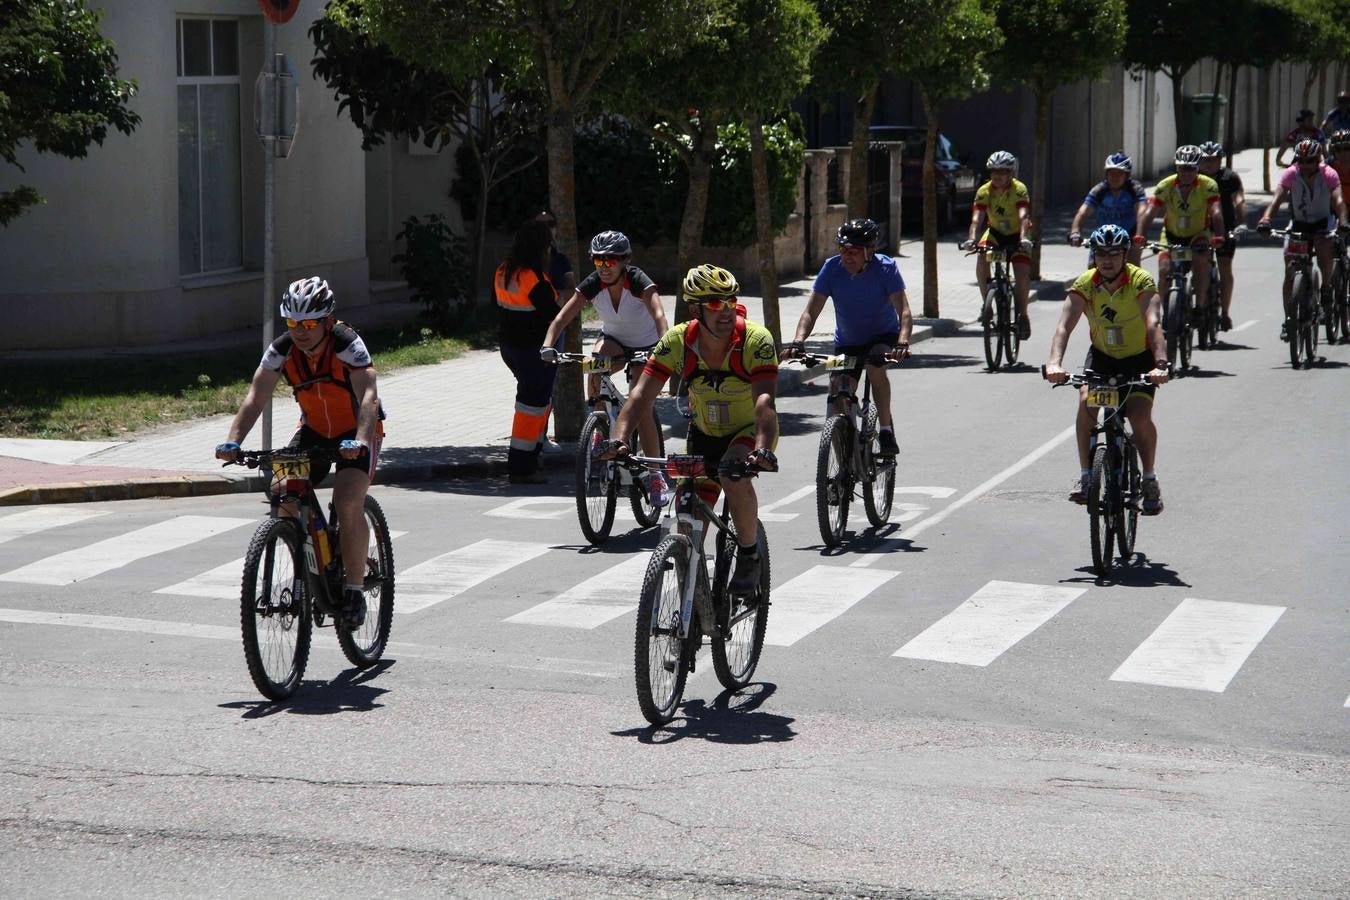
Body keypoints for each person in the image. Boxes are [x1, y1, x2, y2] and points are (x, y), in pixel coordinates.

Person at [599, 264, 778, 595]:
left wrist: (762, 450)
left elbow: (765, 401)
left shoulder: (755, 340)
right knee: (685, 521)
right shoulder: (678, 340)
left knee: (732, 476)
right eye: (713, 304)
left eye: (729, 302)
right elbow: (640, 396)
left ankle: (750, 555)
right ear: (695, 309)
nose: (724, 311)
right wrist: (618, 439)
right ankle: (691, 605)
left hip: (747, 430)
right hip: (703, 432)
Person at [215, 276, 383, 628]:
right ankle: (306, 557)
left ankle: (353, 588)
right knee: (283, 495)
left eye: (308, 324)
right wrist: (233, 441)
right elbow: (256, 396)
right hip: (314, 432)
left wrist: (362, 441)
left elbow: (368, 396)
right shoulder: (281, 349)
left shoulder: (347, 343)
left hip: (357, 432)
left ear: (326, 321)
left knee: (348, 499)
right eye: (292, 323)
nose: (300, 331)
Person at [1044, 225, 1171, 515]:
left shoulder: (1141, 280)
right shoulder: (1086, 283)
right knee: (1085, 404)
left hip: (1140, 359)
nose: (1107, 260)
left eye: (1114, 253)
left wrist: (1160, 364)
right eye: (1101, 253)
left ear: (1125, 254)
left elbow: (1153, 324)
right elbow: (1064, 326)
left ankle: (1149, 477)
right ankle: (1087, 476)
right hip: (1102, 357)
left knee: (1139, 417)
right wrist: (1055, 363)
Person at [540, 230, 669, 503]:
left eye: (610, 261)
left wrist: (664, 346)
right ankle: (598, 423)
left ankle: (656, 475)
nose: (604, 267)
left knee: (641, 405)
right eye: (598, 261)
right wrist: (548, 345)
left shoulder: (637, 281)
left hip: (648, 345)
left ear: (625, 260)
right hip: (615, 341)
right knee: (595, 362)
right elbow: (562, 317)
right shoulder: (593, 283)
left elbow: (659, 314)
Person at [782, 218, 913, 457]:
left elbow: (903, 311)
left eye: (853, 251)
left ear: (869, 251)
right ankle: (843, 471)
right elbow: (811, 311)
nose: (846, 256)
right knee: (836, 392)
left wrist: (903, 342)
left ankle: (885, 431)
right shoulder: (831, 268)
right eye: (842, 250)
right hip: (847, 343)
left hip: (882, 337)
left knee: (875, 366)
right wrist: (798, 341)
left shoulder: (886, 268)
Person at [1257, 139, 1350, 334]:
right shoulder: (1291, 173)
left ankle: (1325, 287)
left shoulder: (1329, 174)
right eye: (1302, 161)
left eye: (1310, 161)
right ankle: (1288, 319)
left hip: (1324, 223)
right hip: (1299, 224)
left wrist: (1343, 221)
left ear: (1318, 160)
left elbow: (1339, 200)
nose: (1306, 166)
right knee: (1289, 269)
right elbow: (1277, 200)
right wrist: (1266, 219)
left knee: (1325, 249)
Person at [496, 218, 563, 484]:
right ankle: (521, 466)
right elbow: (554, 316)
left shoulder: (503, 270)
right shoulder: (535, 279)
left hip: (510, 347)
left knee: (534, 401)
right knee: (532, 406)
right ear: (540, 247)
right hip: (532, 349)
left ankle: (533, 457)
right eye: (548, 245)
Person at [1134, 145, 1225, 319]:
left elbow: (1216, 211)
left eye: (1190, 169)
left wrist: (1219, 235)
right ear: (1177, 167)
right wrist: (1140, 235)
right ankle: (1163, 311)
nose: (1186, 173)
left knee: (1200, 263)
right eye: (1182, 168)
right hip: (1171, 236)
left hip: (1199, 235)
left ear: (1197, 168)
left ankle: (1199, 306)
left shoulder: (1208, 185)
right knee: (1164, 269)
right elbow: (1149, 212)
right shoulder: (1165, 185)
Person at [962, 151, 1033, 339]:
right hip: (995, 234)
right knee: (981, 257)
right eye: (994, 172)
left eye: (1002, 172)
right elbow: (976, 220)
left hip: (1018, 235)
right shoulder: (984, 191)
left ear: (1011, 173)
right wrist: (971, 240)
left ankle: (1023, 315)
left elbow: (1023, 216)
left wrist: (1024, 239)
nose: (998, 176)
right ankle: (987, 304)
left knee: (1022, 273)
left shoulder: (1019, 189)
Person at [1197, 141, 1248, 330]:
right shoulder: (1195, 178)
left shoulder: (1230, 177)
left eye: (1213, 160)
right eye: (1205, 160)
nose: (1209, 164)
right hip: (1200, 230)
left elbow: (1239, 200)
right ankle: (1197, 305)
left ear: (1220, 161)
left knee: (1225, 268)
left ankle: (1225, 313)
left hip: (1225, 229)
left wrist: (1242, 223)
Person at [534, 210, 573, 454]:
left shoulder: (560, 260)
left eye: (550, 224)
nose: (547, 229)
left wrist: (551, 307)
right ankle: (532, 436)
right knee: (531, 384)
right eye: (540, 225)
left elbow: (571, 291)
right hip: (527, 331)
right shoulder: (525, 260)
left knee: (547, 384)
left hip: (554, 328)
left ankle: (540, 436)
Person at [1069, 151, 1148, 266]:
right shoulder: (1100, 190)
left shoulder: (1135, 188)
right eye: (1111, 173)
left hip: (1130, 236)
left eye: (1119, 174)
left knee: (1133, 268)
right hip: (1103, 237)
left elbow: (1142, 211)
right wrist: (1075, 231)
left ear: (1127, 175)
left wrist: (1139, 234)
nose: (1114, 177)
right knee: (1092, 267)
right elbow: (1083, 212)